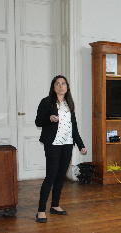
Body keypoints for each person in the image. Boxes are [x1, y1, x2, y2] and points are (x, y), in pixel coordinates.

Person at [34, 75, 86, 223]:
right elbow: (38, 121)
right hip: (53, 143)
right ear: (53, 87)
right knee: (51, 175)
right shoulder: (46, 102)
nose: (61, 86)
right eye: (57, 84)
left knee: (60, 175)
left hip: (67, 144)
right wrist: (49, 119)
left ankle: (55, 205)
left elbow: (73, 128)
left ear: (67, 87)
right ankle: (41, 210)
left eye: (63, 83)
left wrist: (81, 145)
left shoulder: (69, 104)